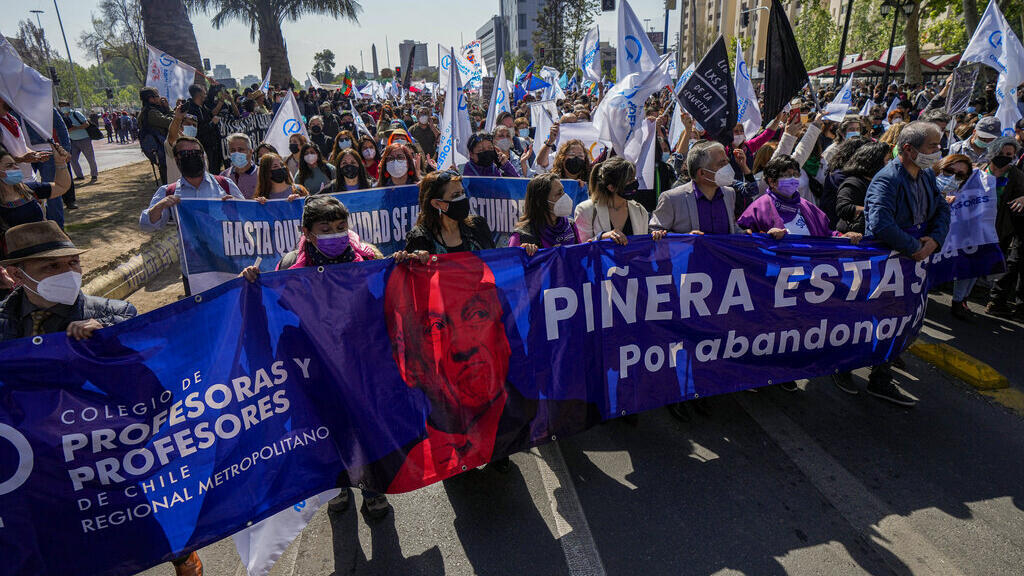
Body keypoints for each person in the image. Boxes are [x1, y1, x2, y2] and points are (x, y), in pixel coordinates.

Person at [863, 121, 951, 405]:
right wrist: (914, 247)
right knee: (878, 317)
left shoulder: (926, 176)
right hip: (889, 261)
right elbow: (880, 224)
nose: (938, 151)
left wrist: (934, 240)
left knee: (904, 315)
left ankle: (885, 361)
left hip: (915, 261)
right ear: (909, 149)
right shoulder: (887, 180)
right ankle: (873, 374)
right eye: (933, 146)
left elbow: (942, 209)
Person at [934, 153, 988, 320]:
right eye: (949, 171)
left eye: (960, 175)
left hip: (955, 235)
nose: (953, 177)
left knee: (972, 258)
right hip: (929, 236)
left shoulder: (969, 190)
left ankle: (960, 301)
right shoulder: (925, 181)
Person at [650, 141, 741, 236]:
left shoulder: (729, 194)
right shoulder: (671, 199)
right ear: (702, 172)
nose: (727, 167)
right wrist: (686, 238)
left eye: (727, 162)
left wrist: (744, 234)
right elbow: (655, 232)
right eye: (721, 164)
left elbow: (731, 228)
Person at [403, 169, 495, 255]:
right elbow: (408, 269)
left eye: (462, 193)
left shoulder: (478, 226)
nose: (462, 198)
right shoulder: (421, 239)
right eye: (455, 195)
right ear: (437, 204)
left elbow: (495, 261)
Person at [982, 137, 1024, 319]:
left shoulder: (1016, 175)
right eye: (1001, 154)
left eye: (1009, 155)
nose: (1005, 157)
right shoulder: (980, 169)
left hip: (1001, 227)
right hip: (977, 224)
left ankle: (994, 299)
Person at [0, 144, 72, 237]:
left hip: (44, 246)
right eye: (9, 166)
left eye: (15, 164)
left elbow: (62, 186)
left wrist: (60, 162)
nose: (17, 168)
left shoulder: (29, 190)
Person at [508, 173, 581, 254]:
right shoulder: (522, 236)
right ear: (540, 202)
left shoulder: (570, 226)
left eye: (563, 191)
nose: (565, 197)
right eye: (558, 194)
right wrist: (524, 255)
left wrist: (589, 249)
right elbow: (511, 264)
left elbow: (580, 258)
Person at [835, 142, 892, 234]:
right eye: (886, 161)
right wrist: (874, 211)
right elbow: (843, 208)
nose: (889, 165)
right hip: (854, 239)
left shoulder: (877, 182)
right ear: (875, 163)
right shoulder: (853, 183)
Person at [137, 88, 174, 185]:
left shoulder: (146, 111)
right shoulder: (151, 112)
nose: (160, 98)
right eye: (157, 96)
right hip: (161, 148)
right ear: (151, 99)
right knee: (168, 175)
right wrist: (168, 108)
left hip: (158, 148)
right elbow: (171, 122)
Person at [60, 101, 98, 183]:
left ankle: (94, 175)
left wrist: (75, 128)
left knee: (90, 158)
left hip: (84, 139)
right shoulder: (61, 116)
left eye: (64, 106)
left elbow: (86, 124)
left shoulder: (75, 113)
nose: (63, 108)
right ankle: (79, 176)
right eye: (61, 106)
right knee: (73, 159)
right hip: (73, 141)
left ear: (69, 106)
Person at [220, 132, 259, 199]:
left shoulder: (262, 174)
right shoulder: (223, 177)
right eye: (233, 150)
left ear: (250, 152)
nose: (236, 153)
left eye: (240, 149)